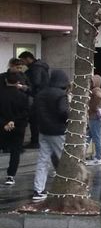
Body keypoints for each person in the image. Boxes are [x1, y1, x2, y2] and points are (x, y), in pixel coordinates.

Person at [31, 69, 69, 202]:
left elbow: (33, 111)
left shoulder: (41, 94)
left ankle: (38, 190)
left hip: (43, 130)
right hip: (58, 131)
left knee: (43, 160)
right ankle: (68, 188)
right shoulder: (61, 95)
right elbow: (64, 112)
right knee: (65, 160)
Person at [1, 71, 28, 186]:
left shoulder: (1, 94)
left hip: (2, 126)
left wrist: (5, 123)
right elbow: (25, 112)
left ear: (6, 80)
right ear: (18, 82)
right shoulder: (22, 96)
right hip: (18, 127)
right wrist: (14, 121)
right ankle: (11, 175)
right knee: (15, 151)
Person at [18, 51, 48, 149]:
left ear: (28, 58)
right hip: (41, 97)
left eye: (22, 61)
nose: (22, 63)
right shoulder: (40, 66)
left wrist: (25, 87)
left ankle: (35, 142)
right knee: (36, 120)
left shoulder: (36, 68)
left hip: (37, 97)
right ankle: (36, 141)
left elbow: (36, 83)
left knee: (34, 120)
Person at [87, 73, 101, 165]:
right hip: (95, 117)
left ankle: (99, 158)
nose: (90, 83)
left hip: (95, 117)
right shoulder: (96, 90)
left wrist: (93, 107)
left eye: (92, 81)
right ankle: (81, 155)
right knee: (88, 137)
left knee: (96, 137)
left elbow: (98, 97)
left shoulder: (96, 90)